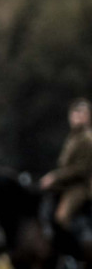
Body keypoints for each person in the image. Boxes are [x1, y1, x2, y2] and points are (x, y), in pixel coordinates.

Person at [40, 98, 92, 245]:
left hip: (80, 187)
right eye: (75, 113)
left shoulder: (87, 139)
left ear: (88, 117)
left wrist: (55, 176)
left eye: (82, 114)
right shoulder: (73, 137)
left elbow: (82, 169)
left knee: (62, 217)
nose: (78, 117)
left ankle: (74, 253)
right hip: (66, 184)